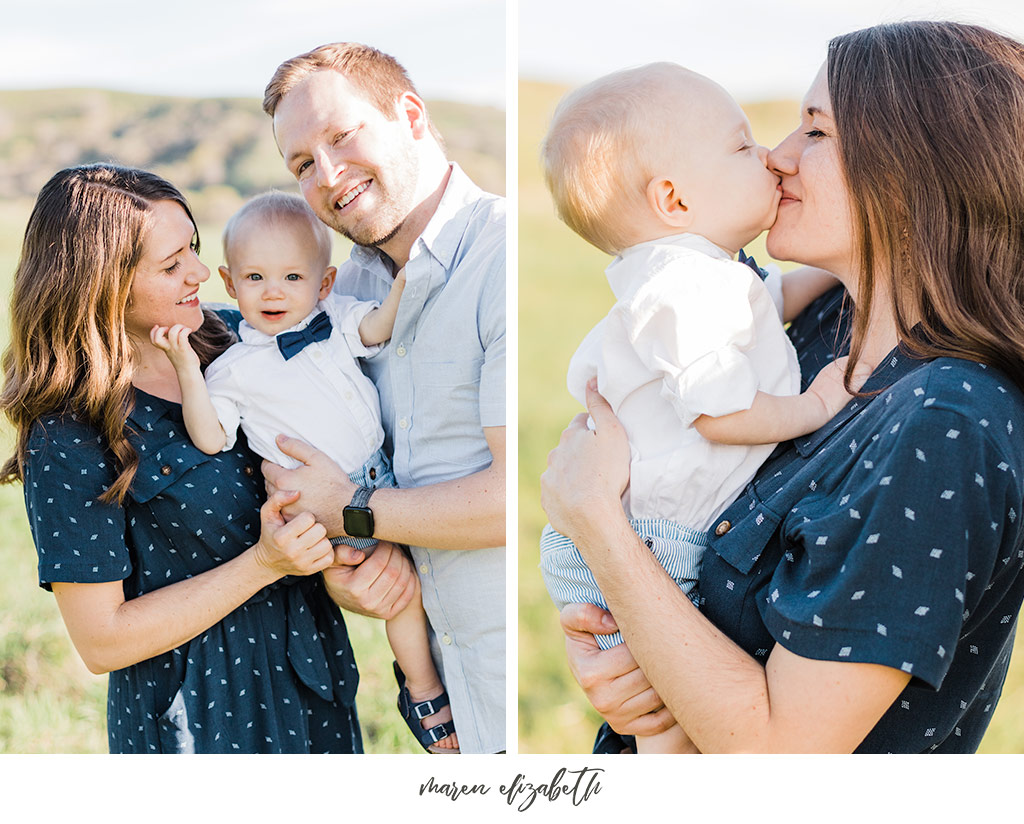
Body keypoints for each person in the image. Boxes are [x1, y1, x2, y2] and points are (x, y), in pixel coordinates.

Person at [541, 20, 1024, 754]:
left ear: (912, 169)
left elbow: (779, 753)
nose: (778, 156)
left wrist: (596, 524)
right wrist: (617, 649)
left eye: (816, 133)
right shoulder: (824, 323)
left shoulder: (946, 421)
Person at [536, 62, 861, 753]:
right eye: (743, 148)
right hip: (654, 536)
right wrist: (812, 406)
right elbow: (720, 412)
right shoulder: (683, 288)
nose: (771, 157)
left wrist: (850, 258)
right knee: (671, 728)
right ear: (675, 201)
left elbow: (778, 296)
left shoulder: (702, 273)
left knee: (671, 710)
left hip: (640, 525)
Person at [0, 163, 375, 753]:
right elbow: (102, 642)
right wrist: (264, 564)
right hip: (198, 717)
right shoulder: (67, 434)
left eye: (194, 250)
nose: (202, 273)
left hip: (310, 678)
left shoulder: (233, 337)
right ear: (103, 286)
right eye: (173, 265)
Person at [259, 42, 506, 753]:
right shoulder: (340, 296)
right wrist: (350, 569)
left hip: (514, 686)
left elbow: (505, 501)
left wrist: (353, 512)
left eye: (341, 136)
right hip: (433, 699)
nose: (329, 175)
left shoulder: (499, 258)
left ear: (411, 114)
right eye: (303, 163)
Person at [149, 191, 457, 752]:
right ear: (229, 281)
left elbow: (378, 329)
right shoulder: (235, 370)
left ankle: (460, 671)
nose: (272, 291)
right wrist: (188, 371)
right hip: (320, 507)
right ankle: (423, 687)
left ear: (323, 283)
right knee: (399, 589)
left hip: (383, 475)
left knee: (438, 563)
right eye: (255, 276)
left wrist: (408, 281)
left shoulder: (336, 318)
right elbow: (211, 437)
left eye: (292, 277)